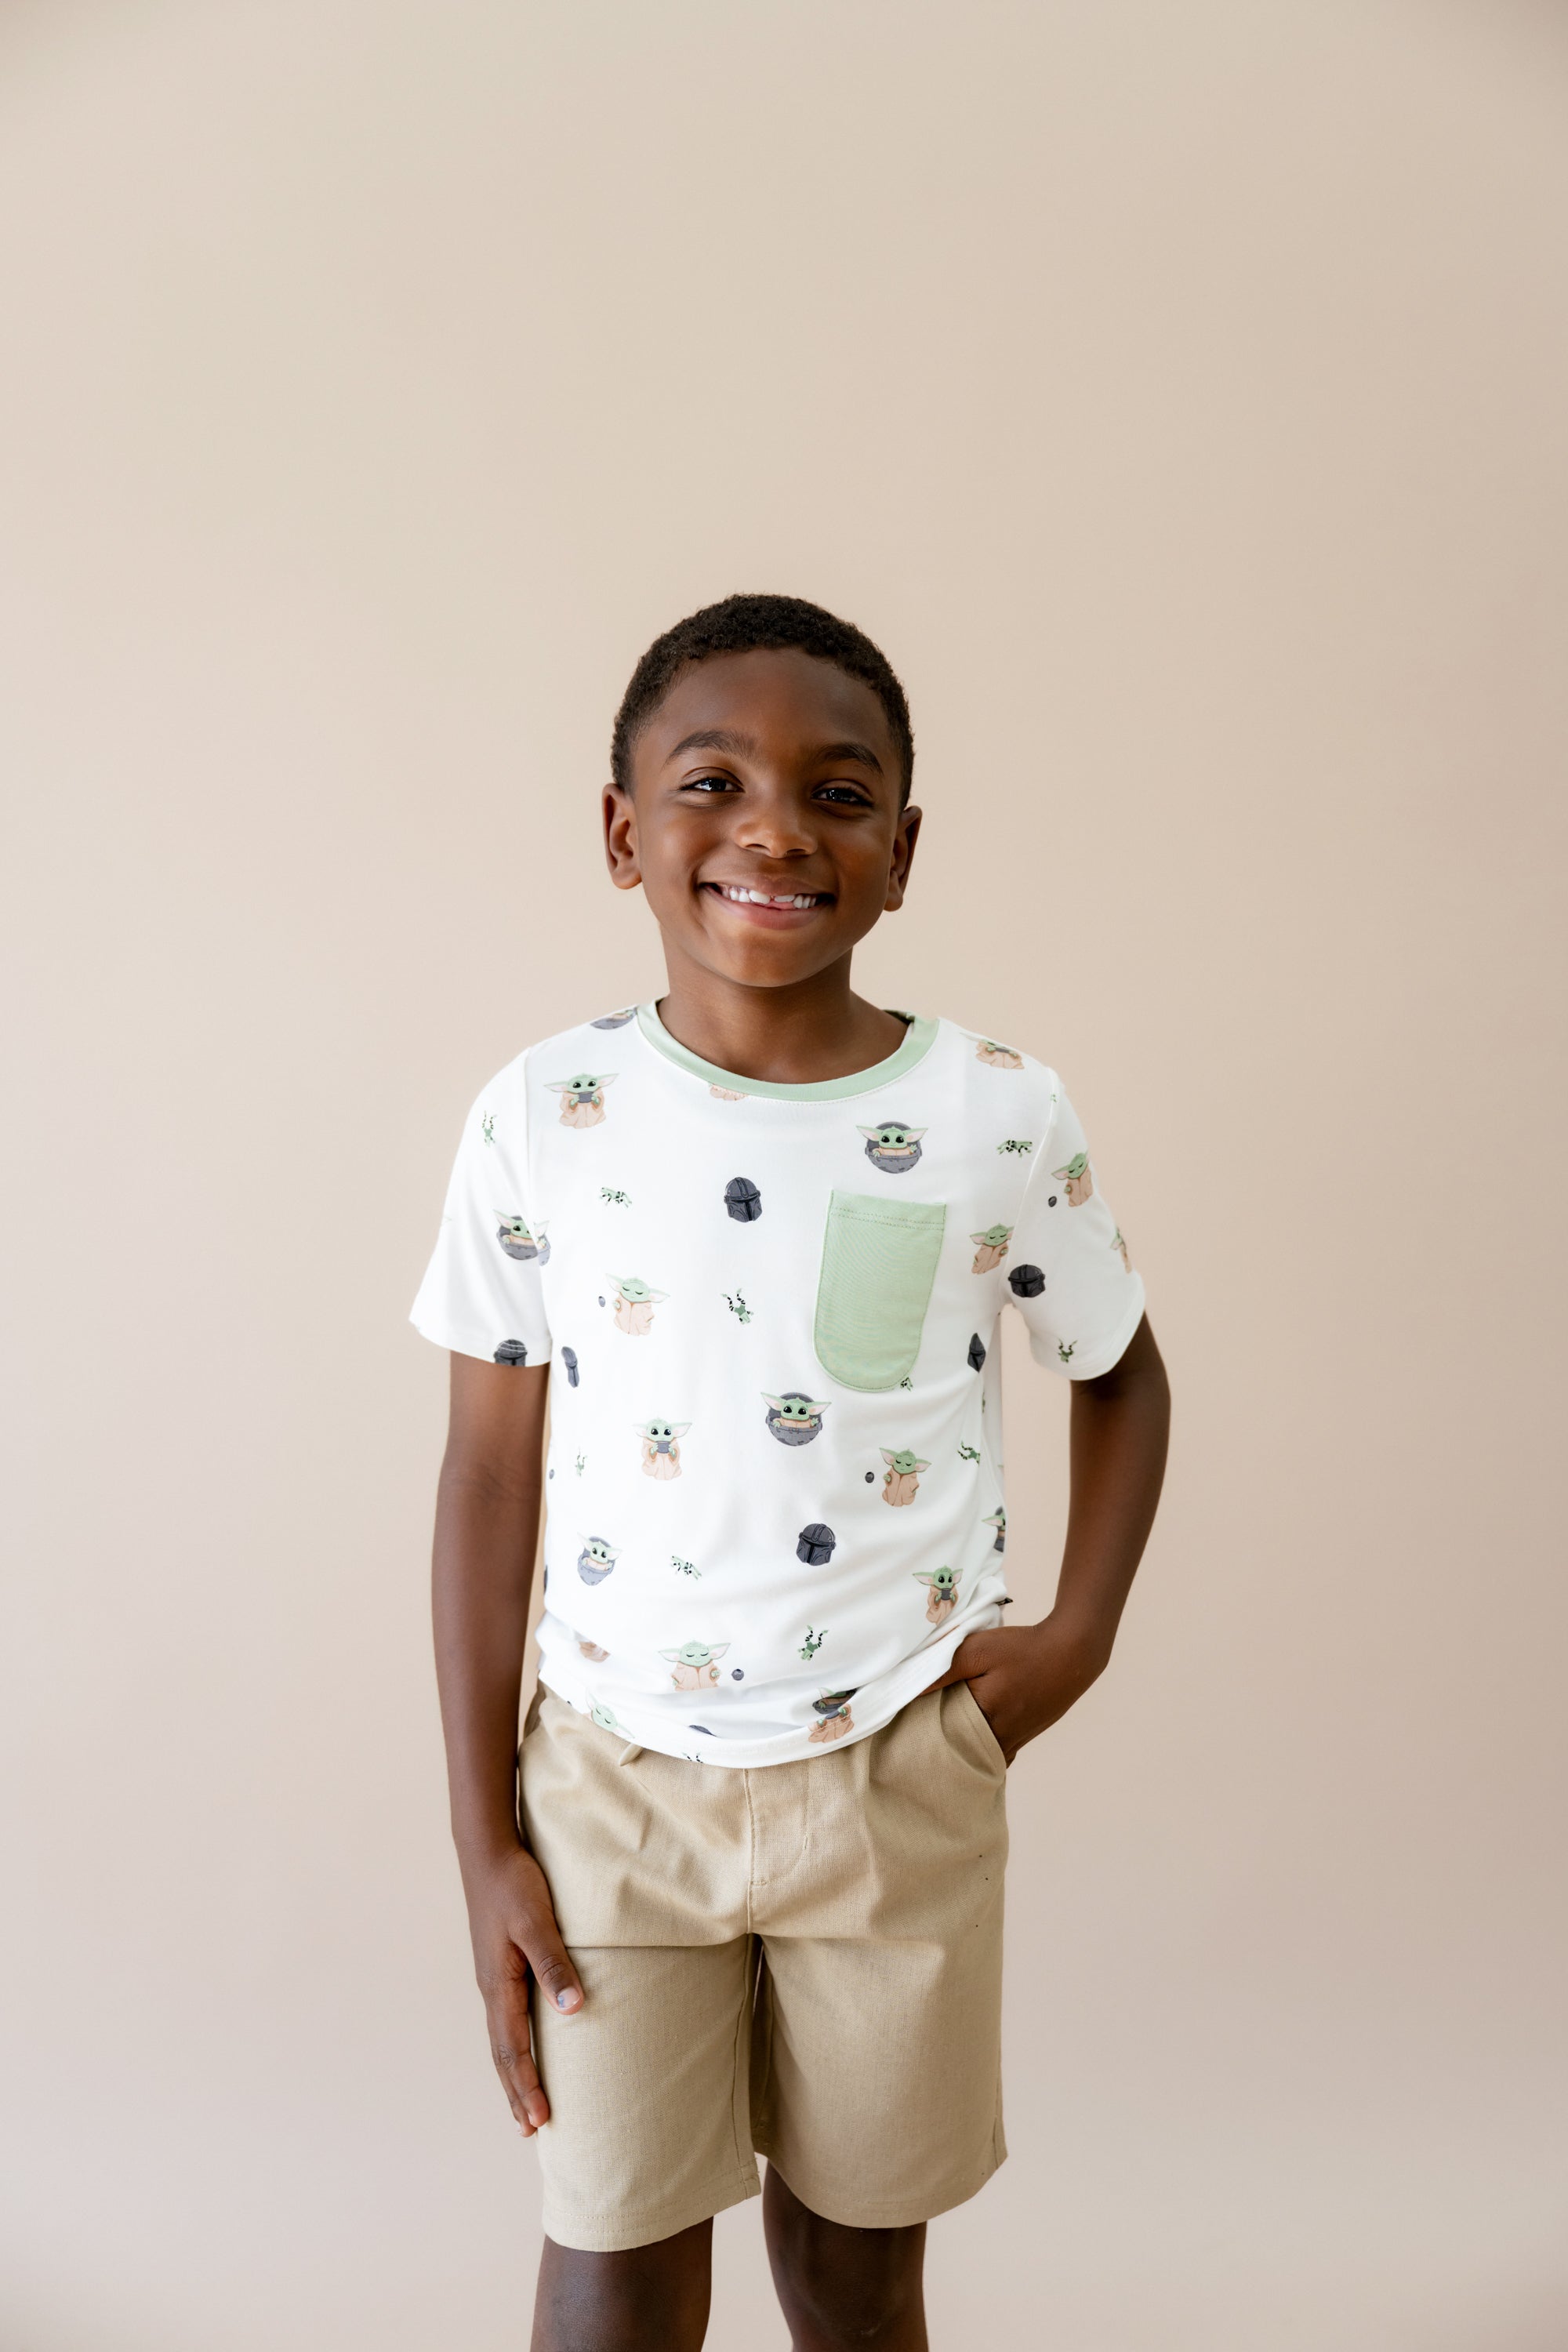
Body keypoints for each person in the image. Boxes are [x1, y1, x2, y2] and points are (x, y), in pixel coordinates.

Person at [411, 593, 1171, 2352]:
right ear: (622, 834)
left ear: (900, 853)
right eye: (712, 781)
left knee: (853, 2273)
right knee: (612, 2261)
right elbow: (484, 1483)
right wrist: (482, 1838)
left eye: (838, 795)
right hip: (609, 1785)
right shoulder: (544, 1116)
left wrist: (1076, 1640)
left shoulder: (992, 1112)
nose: (772, 828)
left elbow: (1122, 1373)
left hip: (896, 1775)